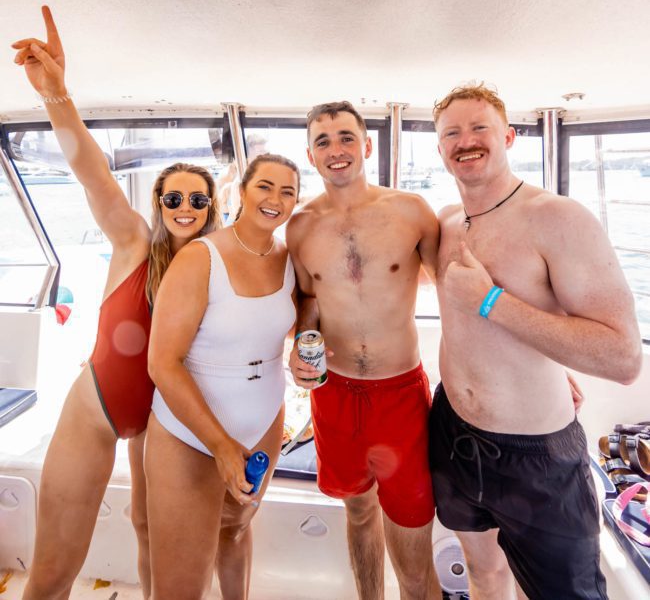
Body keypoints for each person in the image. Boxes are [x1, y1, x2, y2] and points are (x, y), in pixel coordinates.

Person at [12, 6, 219, 599]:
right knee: (53, 571)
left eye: (198, 200)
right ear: (158, 202)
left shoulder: (218, 267)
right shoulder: (131, 240)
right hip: (100, 406)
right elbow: (89, 169)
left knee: (151, 531)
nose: (185, 207)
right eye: (173, 196)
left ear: (211, 209)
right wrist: (57, 93)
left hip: (170, 419)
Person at [429, 83, 643, 600]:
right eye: (451, 133)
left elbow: (623, 357)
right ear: (439, 149)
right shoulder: (446, 222)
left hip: (538, 459)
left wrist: (491, 301)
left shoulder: (557, 218)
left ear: (509, 135)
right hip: (454, 436)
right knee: (484, 575)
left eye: (480, 127)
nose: (466, 140)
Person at [287, 102, 443, 600]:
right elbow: (308, 300)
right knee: (357, 510)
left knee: (412, 532)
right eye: (324, 141)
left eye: (346, 137)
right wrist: (300, 346)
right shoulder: (299, 227)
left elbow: (458, 296)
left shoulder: (410, 212)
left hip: (400, 393)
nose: (336, 150)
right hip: (334, 396)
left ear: (367, 145)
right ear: (310, 155)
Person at [146, 154, 300, 598]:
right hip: (187, 435)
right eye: (264, 187)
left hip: (263, 422)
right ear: (241, 193)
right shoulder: (200, 257)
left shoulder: (290, 259)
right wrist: (220, 446)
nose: (275, 199)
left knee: (234, 532)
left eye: (287, 191)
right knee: (181, 587)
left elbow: (291, 322)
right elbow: (162, 363)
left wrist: (305, 353)